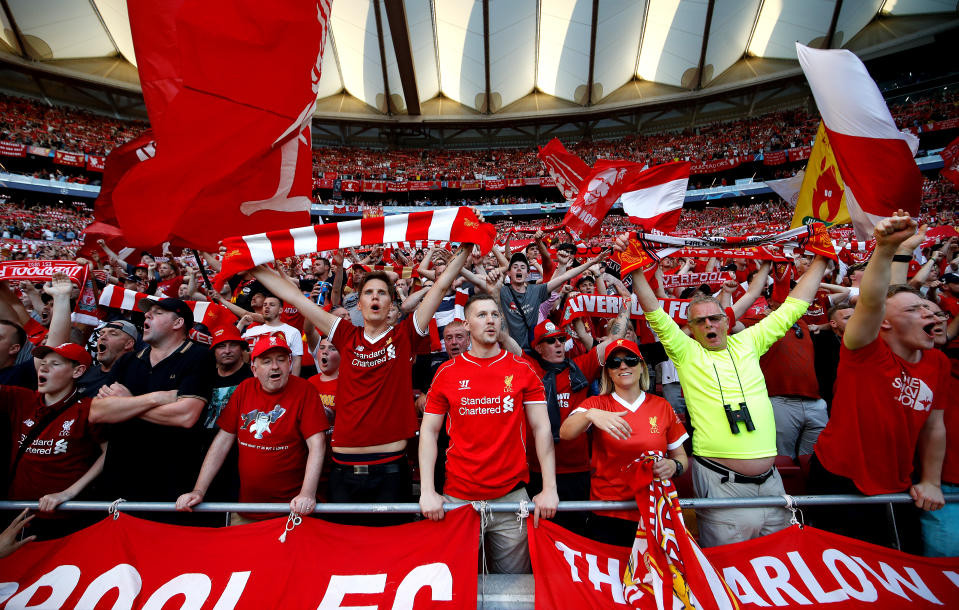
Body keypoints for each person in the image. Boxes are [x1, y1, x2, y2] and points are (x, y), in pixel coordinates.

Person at [615, 231, 828, 547]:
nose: (709, 326)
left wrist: (822, 257)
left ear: (727, 322)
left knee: (779, 563)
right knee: (729, 574)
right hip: (721, 484)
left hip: (771, 485)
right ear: (690, 328)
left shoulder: (750, 341)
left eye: (715, 319)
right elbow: (654, 312)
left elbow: (795, 306)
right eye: (699, 322)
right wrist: (632, 268)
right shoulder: (686, 352)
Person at [250, 242, 474, 524]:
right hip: (342, 469)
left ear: (391, 302)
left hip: (391, 469)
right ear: (360, 301)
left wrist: (465, 249)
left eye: (382, 292)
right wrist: (251, 266)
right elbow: (295, 298)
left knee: (390, 556)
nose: (375, 297)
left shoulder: (405, 334)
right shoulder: (344, 333)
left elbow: (441, 287)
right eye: (368, 292)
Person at [808, 212, 951, 552]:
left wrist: (930, 480)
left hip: (898, 483)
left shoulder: (937, 361)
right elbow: (872, 300)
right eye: (915, 310)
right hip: (840, 477)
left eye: (930, 308)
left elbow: (934, 427)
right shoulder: (865, 351)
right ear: (884, 324)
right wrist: (884, 249)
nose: (930, 313)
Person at [418, 293, 558, 574]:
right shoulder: (446, 372)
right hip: (458, 497)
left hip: (511, 497)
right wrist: (426, 491)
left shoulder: (522, 370)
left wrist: (550, 488)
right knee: (456, 583)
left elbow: (542, 428)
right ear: (467, 324)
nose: (490, 320)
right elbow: (429, 431)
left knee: (512, 589)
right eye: (481, 315)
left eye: (495, 314)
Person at [176, 333, 328, 524]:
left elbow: (317, 444)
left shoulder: (304, 390)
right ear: (254, 369)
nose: (275, 366)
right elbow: (222, 442)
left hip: (292, 510)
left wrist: (307, 493)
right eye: (266, 361)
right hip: (247, 508)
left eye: (281, 360)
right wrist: (199, 490)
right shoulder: (244, 388)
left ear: (290, 364)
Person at [90, 298, 215, 521]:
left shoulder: (199, 356)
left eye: (157, 313)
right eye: (148, 313)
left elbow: (186, 415)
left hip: (170, 486)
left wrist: (126, 402)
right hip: (118, 483)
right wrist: (157, 398)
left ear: (178, 323)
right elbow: (98, 412)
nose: (147, 316)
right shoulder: (127, 361)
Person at [560, 339, 689, 547]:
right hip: (608, 514)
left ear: (641, 367)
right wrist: (590, 415)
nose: (623, 366)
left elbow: (681, 457)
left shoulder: (661, 406)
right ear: (608, 372)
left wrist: (674, 466)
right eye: (614, 362)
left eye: (630, 360)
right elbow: (566, 432)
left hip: (653, 513)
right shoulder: (597, 404)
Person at [2, 343, 106, 539]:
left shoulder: (88, 408)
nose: (44, 367)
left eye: (55, 364)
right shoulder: (21, 398)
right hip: (17, 516)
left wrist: (68, 493)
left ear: (78, 371)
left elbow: (109, 452)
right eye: (43, 363)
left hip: (64, 521)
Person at [239, 294, 303, 377]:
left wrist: (294, 383)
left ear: (280, 310)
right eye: (264, 305)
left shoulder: (293, 332)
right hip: (253, 379)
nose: (267, 307)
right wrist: (241, 324)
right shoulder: (252, 330)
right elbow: (234, 346)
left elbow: (296, 361)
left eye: (272, 305)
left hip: (280, 378)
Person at [77, 320, 138, 397]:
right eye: (101, 334)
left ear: (128, 344)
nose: (102, 337)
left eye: (113, 334)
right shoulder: (84, 373)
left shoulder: (137, 377)